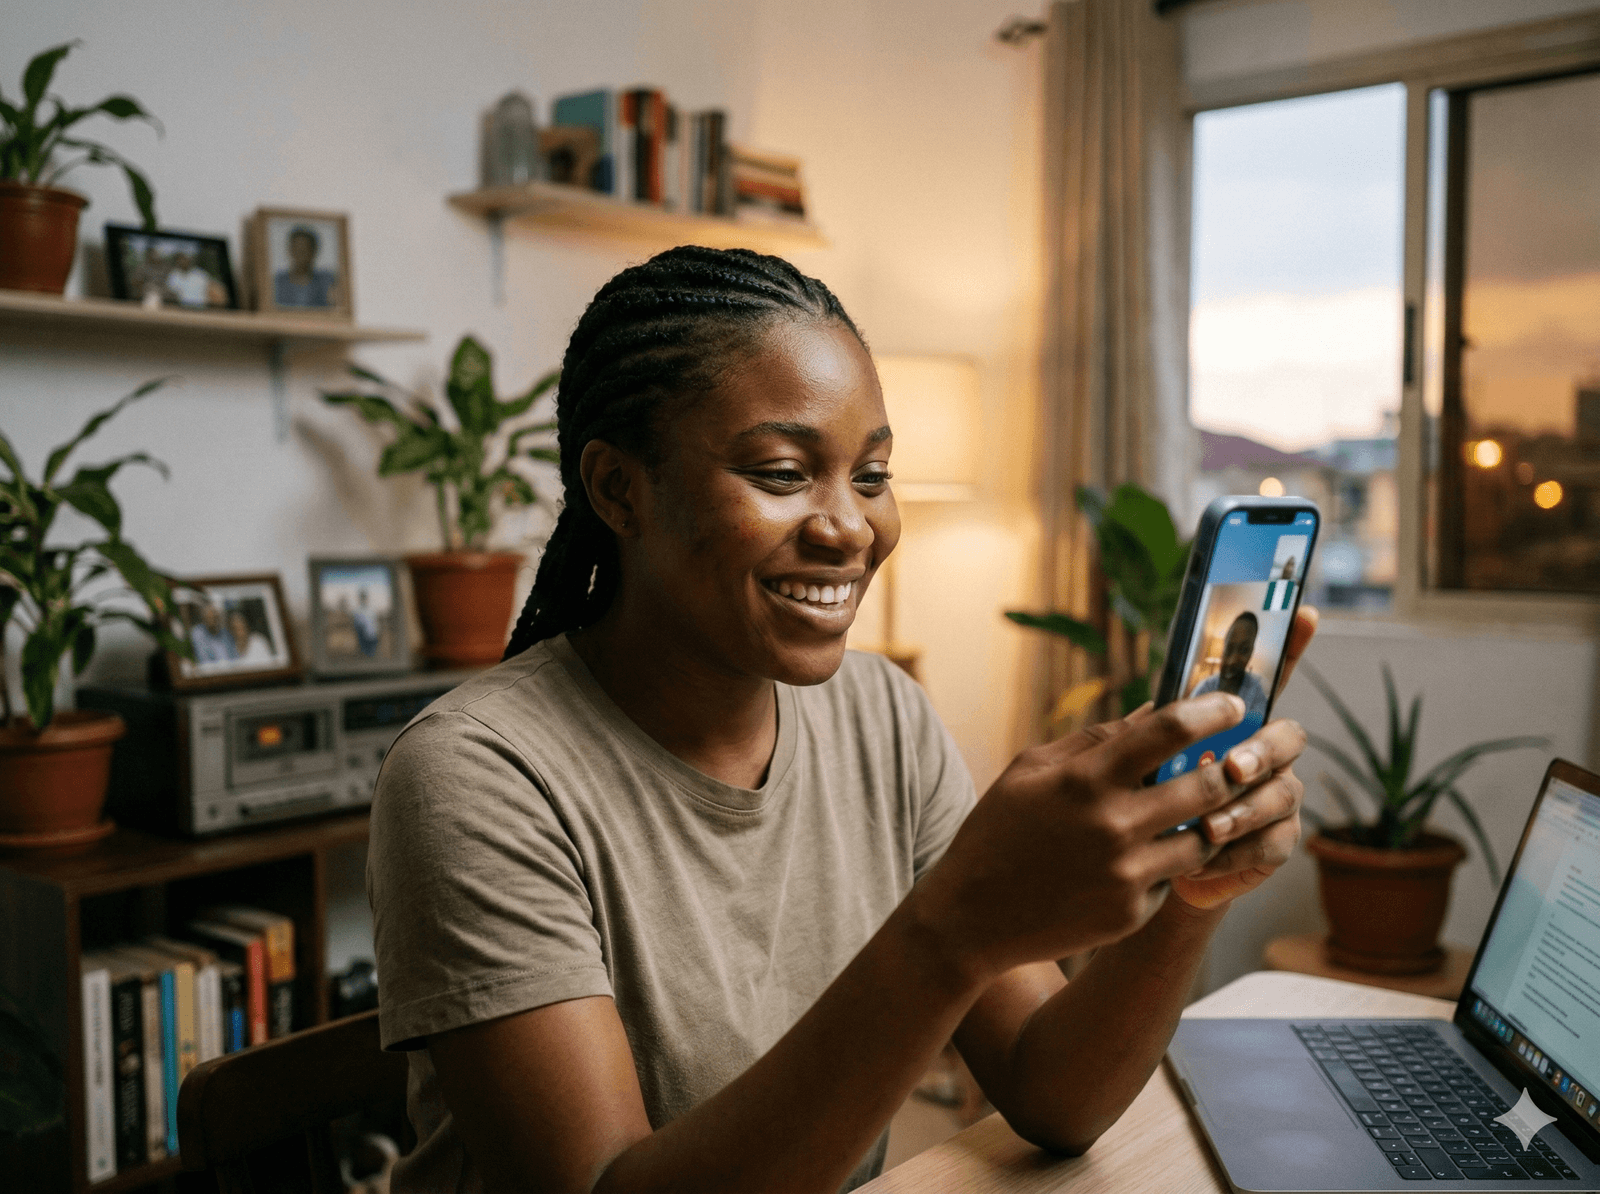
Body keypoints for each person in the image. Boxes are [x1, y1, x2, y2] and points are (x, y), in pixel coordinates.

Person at [366, 246, 1316, 1194]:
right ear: (619, 489)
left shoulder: (883, 716)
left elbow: (1055, 1092)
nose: (851, 528)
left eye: (870, 475)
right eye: (782, 473)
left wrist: (1200, 870)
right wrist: (951, 934)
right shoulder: (477, 775)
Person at [1194, 611, 1270, 721]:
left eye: (1243, 650)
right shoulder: (1204, 688)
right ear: (1223, 646)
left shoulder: (1257, 693)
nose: (1232, 661)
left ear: (1250, 653)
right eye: (1229, 648)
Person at [272, 224, 339, 308]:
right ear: (290, 250)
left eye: (304, 249)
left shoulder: (327, 281)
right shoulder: (277, 282)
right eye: (297, 249)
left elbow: (336, 310)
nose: (301, 255)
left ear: (314, 251)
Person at [350, 588, 381, 657]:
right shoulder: (357, 611)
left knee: (372, 655)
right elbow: (356, 624)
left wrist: (376, 633)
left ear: (366, 598)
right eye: (361, 597)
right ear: (360, 598)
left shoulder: (372, 610)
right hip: (363, 637)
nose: (363, 599)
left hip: (373, 637)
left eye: (364, 597)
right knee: (365, 655)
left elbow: (376, 623)